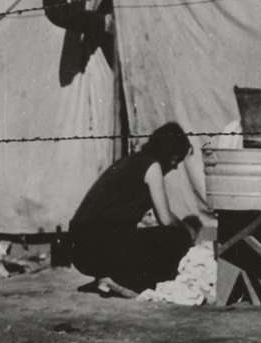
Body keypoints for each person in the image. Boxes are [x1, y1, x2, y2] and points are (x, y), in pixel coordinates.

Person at [68, 122, 200, 296]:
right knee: (176, 237)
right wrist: (186, 232)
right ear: (169, 153)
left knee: (145, 238)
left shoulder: (131, 161)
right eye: (176, 160)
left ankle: (107, 277)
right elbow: (166, 219)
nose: (175, 167)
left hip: (79, 248)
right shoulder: (152, 167)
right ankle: (121, 280)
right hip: (99, 246)